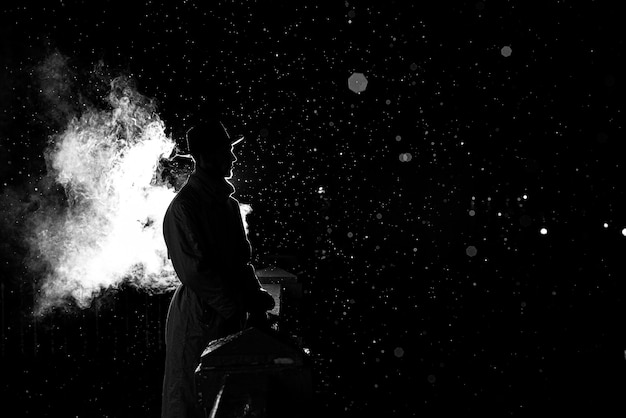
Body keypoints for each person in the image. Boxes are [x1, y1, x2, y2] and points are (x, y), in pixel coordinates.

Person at [161, 117, 275, 418]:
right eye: (226, 151)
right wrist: (237, 308)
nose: (233, 157)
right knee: (189, 398)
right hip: (199, 315)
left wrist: (256, 297)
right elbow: (197, 272)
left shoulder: (229, 206)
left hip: (225, 313)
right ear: (204, 157)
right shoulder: (184, 207)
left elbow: (240, 261)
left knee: (224, 400)